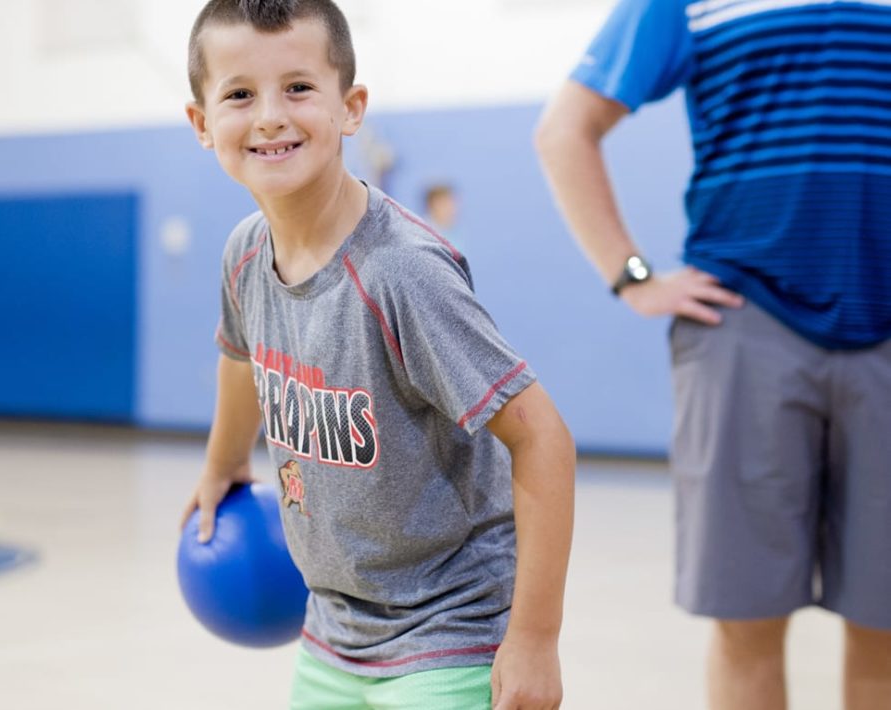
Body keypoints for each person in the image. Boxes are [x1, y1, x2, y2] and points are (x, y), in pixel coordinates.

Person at [180, 1, 575, 708]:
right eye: (239, 94)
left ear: (351, 107)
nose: (270, 115)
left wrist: (535, 638)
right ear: (202, 124)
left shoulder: (402, 273)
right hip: (333, 632)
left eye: (298, 87)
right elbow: (239, 356)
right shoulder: (244, 255)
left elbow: (541, 435)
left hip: (448, 631)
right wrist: (222, 463)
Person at [534, 1, 891, 708]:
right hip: (746, 323)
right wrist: (630, 275)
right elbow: (565, 129)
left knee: (886, 624)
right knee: (746, 622)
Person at [423, 182, 465, 253]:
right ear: (434, 204)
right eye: (446, 204)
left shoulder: (455, 232)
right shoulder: (424, 236)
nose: (453, 208)